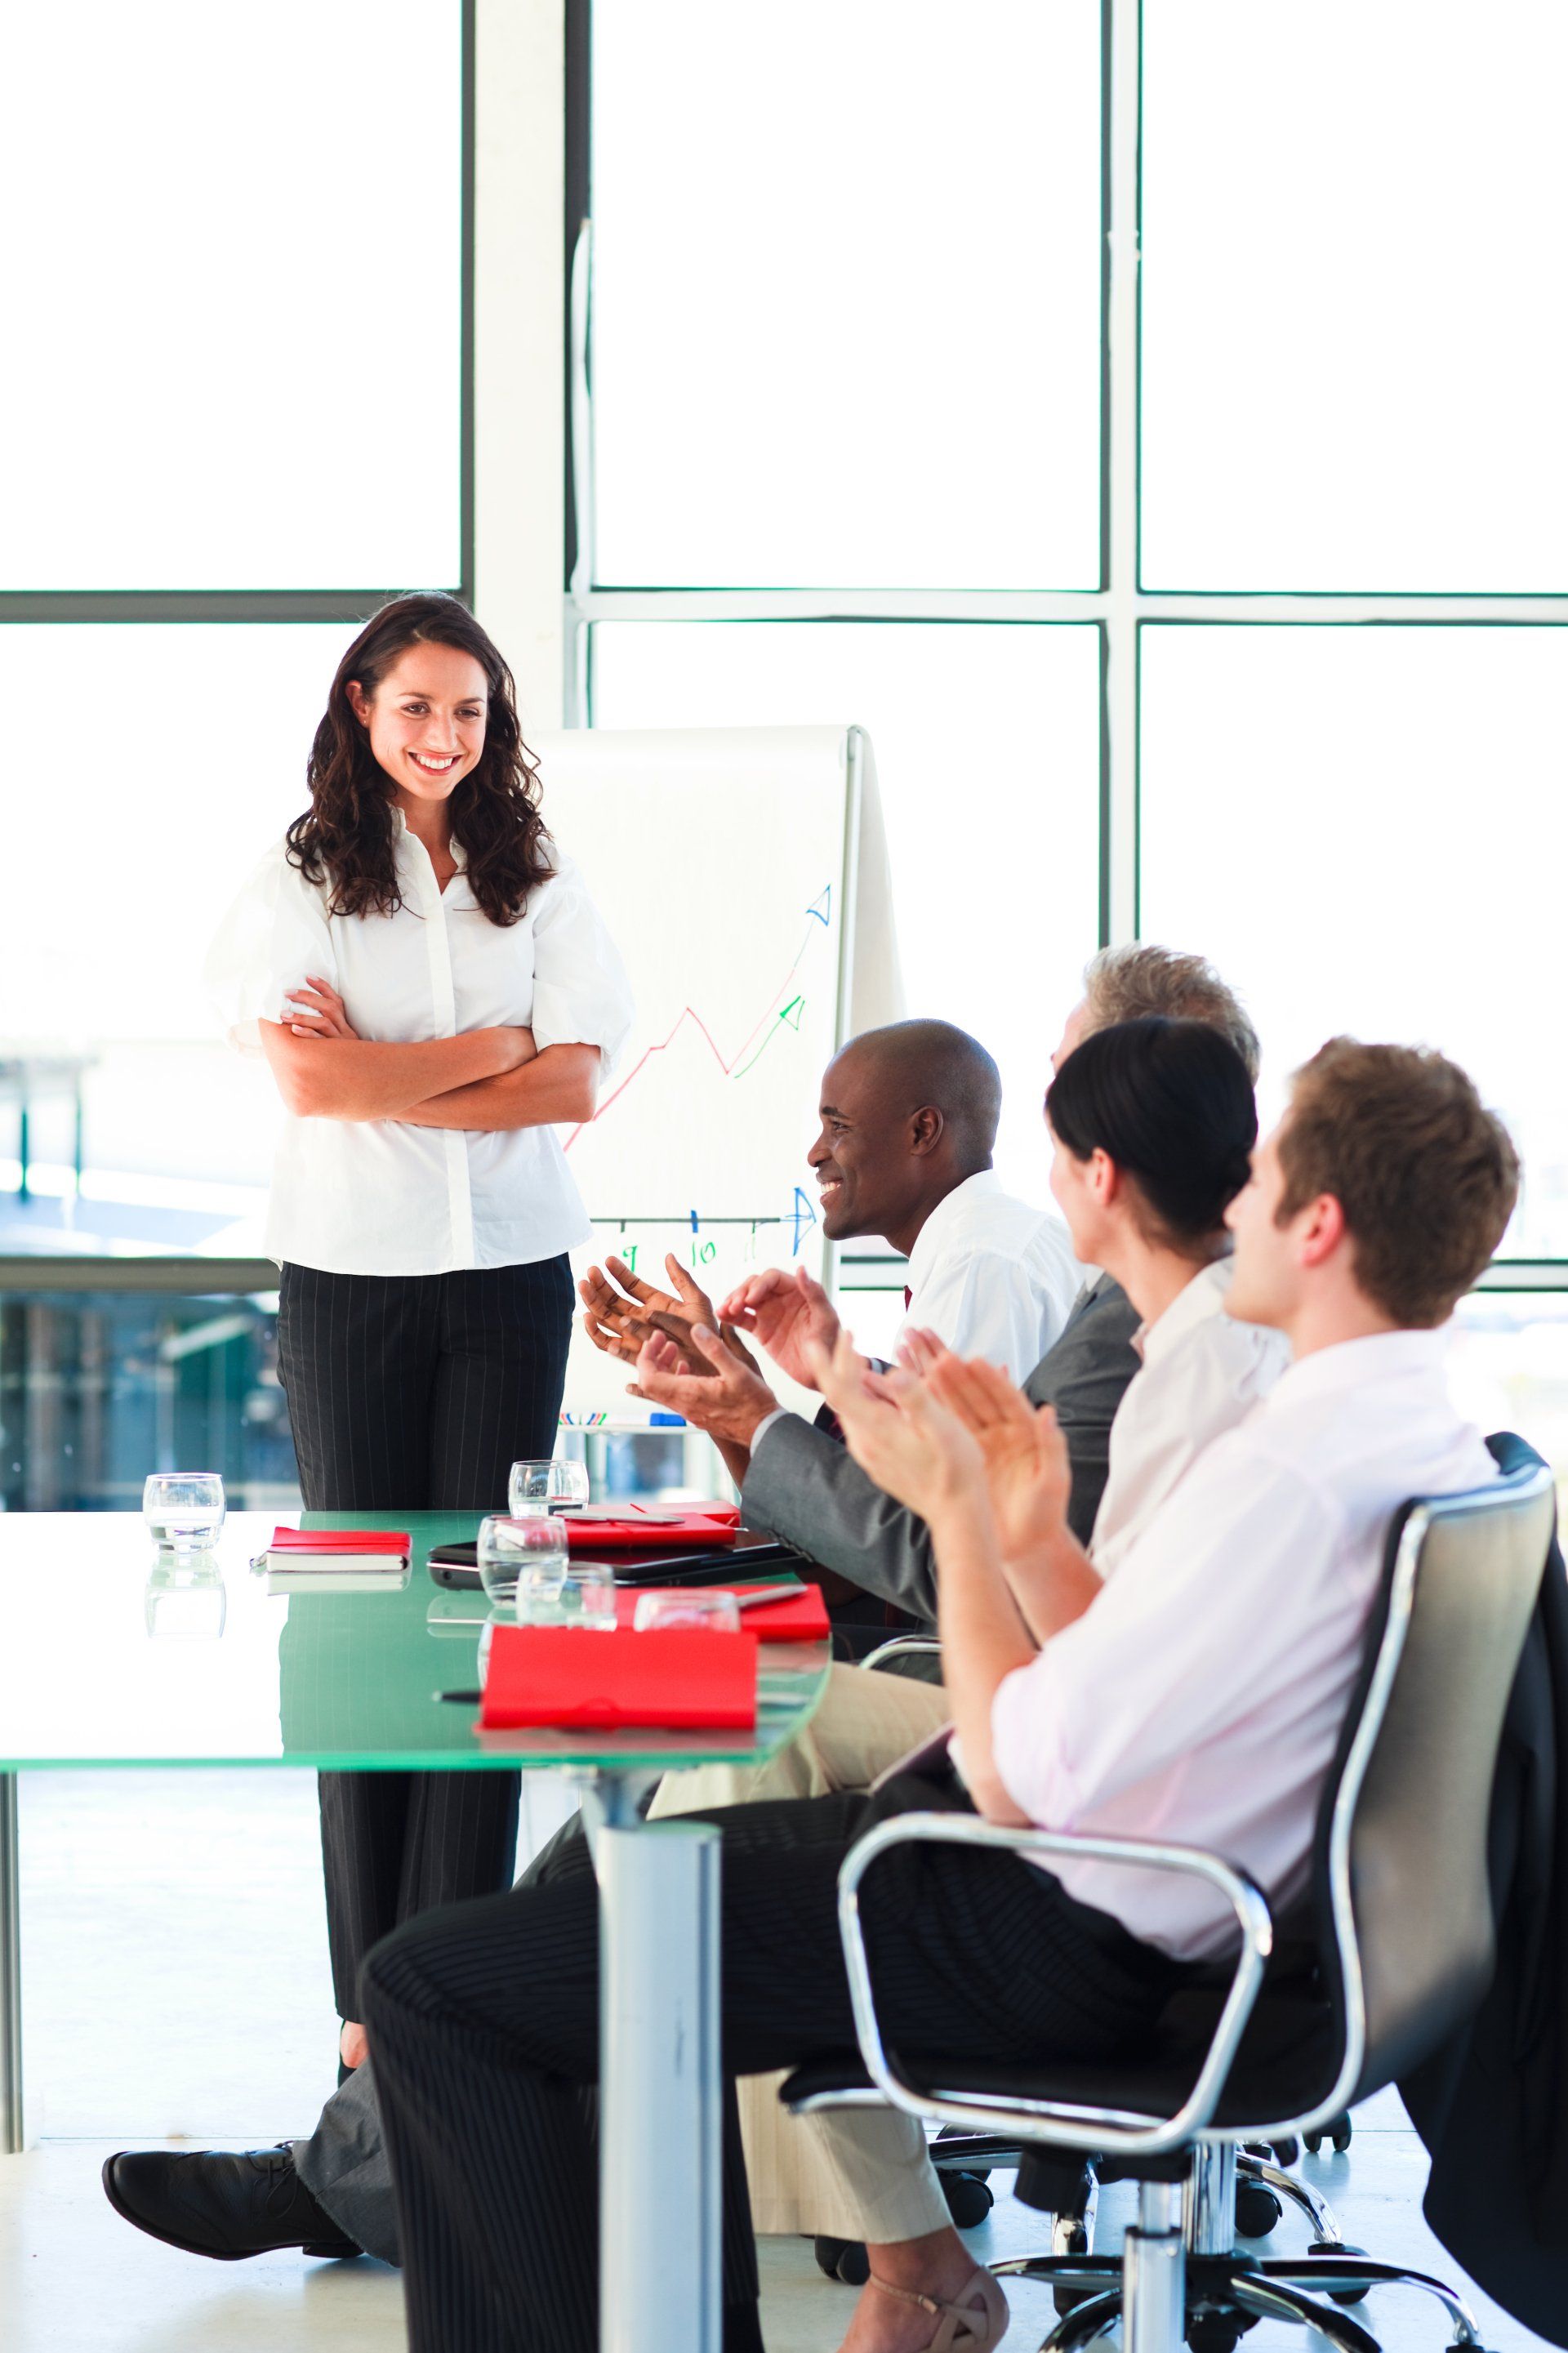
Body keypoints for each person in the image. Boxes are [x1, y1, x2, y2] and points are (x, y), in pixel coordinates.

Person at [331, 1036, 1517, 2353]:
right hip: (1160, 1903)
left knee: (432, 1989)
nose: (1232, 1207)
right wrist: (1020, 1523)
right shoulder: (1414, 1427)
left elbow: (1015, 1773)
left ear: (1322, 1222)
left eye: (1264, 1179)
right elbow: (1118, 1652)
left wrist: (957, 1509)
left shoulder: (1281, 1467)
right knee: (626, 1907)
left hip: (1066, 1921)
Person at [93, 946, 1255, 2272]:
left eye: (1066, 1092)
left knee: (685, 1782)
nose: (1038, 1133)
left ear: (1112, 1146)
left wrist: (774, 1418)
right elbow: (992, 1530)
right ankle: (393, 2152)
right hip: (1057, 1724)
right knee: (639, 1807)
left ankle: (430, 2158)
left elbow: (959, 1562)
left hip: (1031, 1746)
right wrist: (785, 1395)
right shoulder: (1153, 1319)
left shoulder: (1117, 1323)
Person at [202, 594, 633, 2079]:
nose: (445, 737)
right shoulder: (301, 876)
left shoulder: (541, 878)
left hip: (508, 1268)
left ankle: (443, 2002)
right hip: (350, 1275)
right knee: (359, 1622)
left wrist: (393, 1072)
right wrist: (484, 1051)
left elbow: (572, 1090)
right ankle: (364, 2020)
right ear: (362, 709)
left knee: (483, 1610)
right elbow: (310, 1095)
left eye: (469, 711)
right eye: (416, 709)